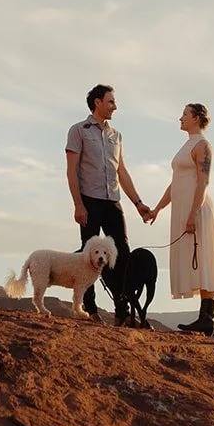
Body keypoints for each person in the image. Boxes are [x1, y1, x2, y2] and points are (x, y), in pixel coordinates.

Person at [65, 83, 152, 325]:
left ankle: (122, 311)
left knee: (121, 253)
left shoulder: (116, 136)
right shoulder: (78, 130)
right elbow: (71, 171)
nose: (115, 106)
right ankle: (89, 309)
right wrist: (78, 204)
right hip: (89, 201)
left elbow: (121, 171)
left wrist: (138, 203)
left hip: (113, 201)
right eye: (111, 101)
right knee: (88, 254)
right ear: (97, 102)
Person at [146, 102, 214, 336]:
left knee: (203, 258)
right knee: (194, 258)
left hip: (196, 209)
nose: (180, 118)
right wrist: (157, 209)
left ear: (196, 118)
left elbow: (203, 182)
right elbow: (175, 183)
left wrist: (193, 213)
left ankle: (207, 319)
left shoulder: (202, 145)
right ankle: (207, 320)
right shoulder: (187, 145)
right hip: (183, 209)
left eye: (185, 114)